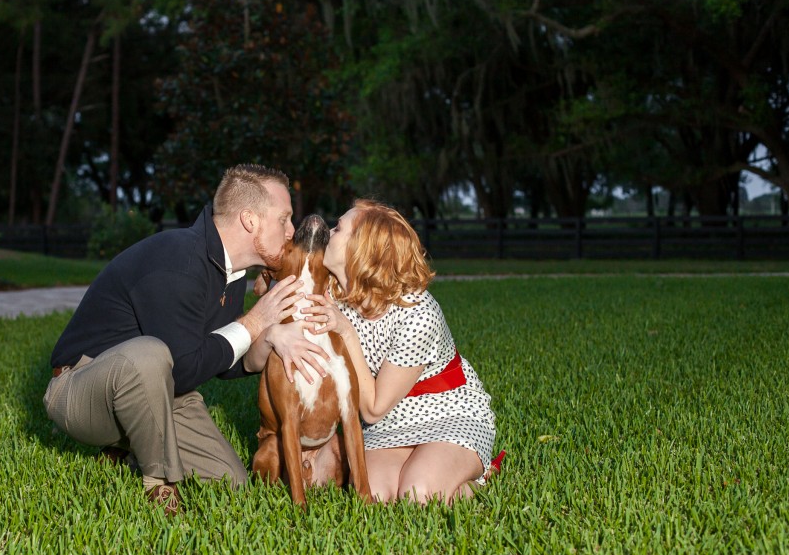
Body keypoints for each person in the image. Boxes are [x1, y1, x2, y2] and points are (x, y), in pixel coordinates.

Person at [44, 164, 329, 515]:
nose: (290, 232)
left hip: (161, 393)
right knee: (149, 355)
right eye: (284, 219)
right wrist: (255, 321)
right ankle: (158, 482)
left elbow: (225, 359)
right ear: (250, 220)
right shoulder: (178, 258)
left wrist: (269, 337)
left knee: (231, 483)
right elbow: (181, 370)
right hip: (81, 390)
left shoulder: (232, 272)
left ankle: (132, 443)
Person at [305, 199, 497, 504]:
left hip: (447, 412)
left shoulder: (417, 314)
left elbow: (372, 407)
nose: (329, 231)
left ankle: (474, 481)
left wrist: (345, 332)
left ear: (363, 249)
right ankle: (434, 474)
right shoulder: (335, 293)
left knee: (417, 494)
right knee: (376, 495)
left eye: (339, 228)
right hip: (391, 424)